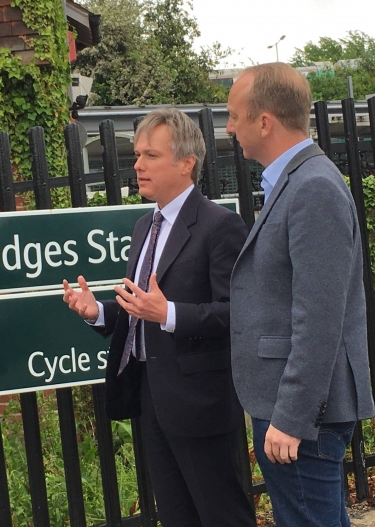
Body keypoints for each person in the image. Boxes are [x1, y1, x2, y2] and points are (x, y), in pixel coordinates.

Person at [63, 108, 254, 526]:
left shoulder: (220, 226)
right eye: (136, 154)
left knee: (222, 514)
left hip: (200, 403)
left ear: (185, 163)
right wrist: (98, 312)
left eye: (150, 155)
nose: (136, 165)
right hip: (151, 399)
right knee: (175, 514)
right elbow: (140, 309)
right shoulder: (142, 227)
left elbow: (237, 314)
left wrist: (167, 312)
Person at [227, 62, 375, 527]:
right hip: (295, 409)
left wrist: (292, 417)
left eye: (234, 116)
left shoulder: (312, 187)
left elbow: (319, 318)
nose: (229, 128)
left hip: (301, 414)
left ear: (265, 120)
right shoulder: (295, 182)